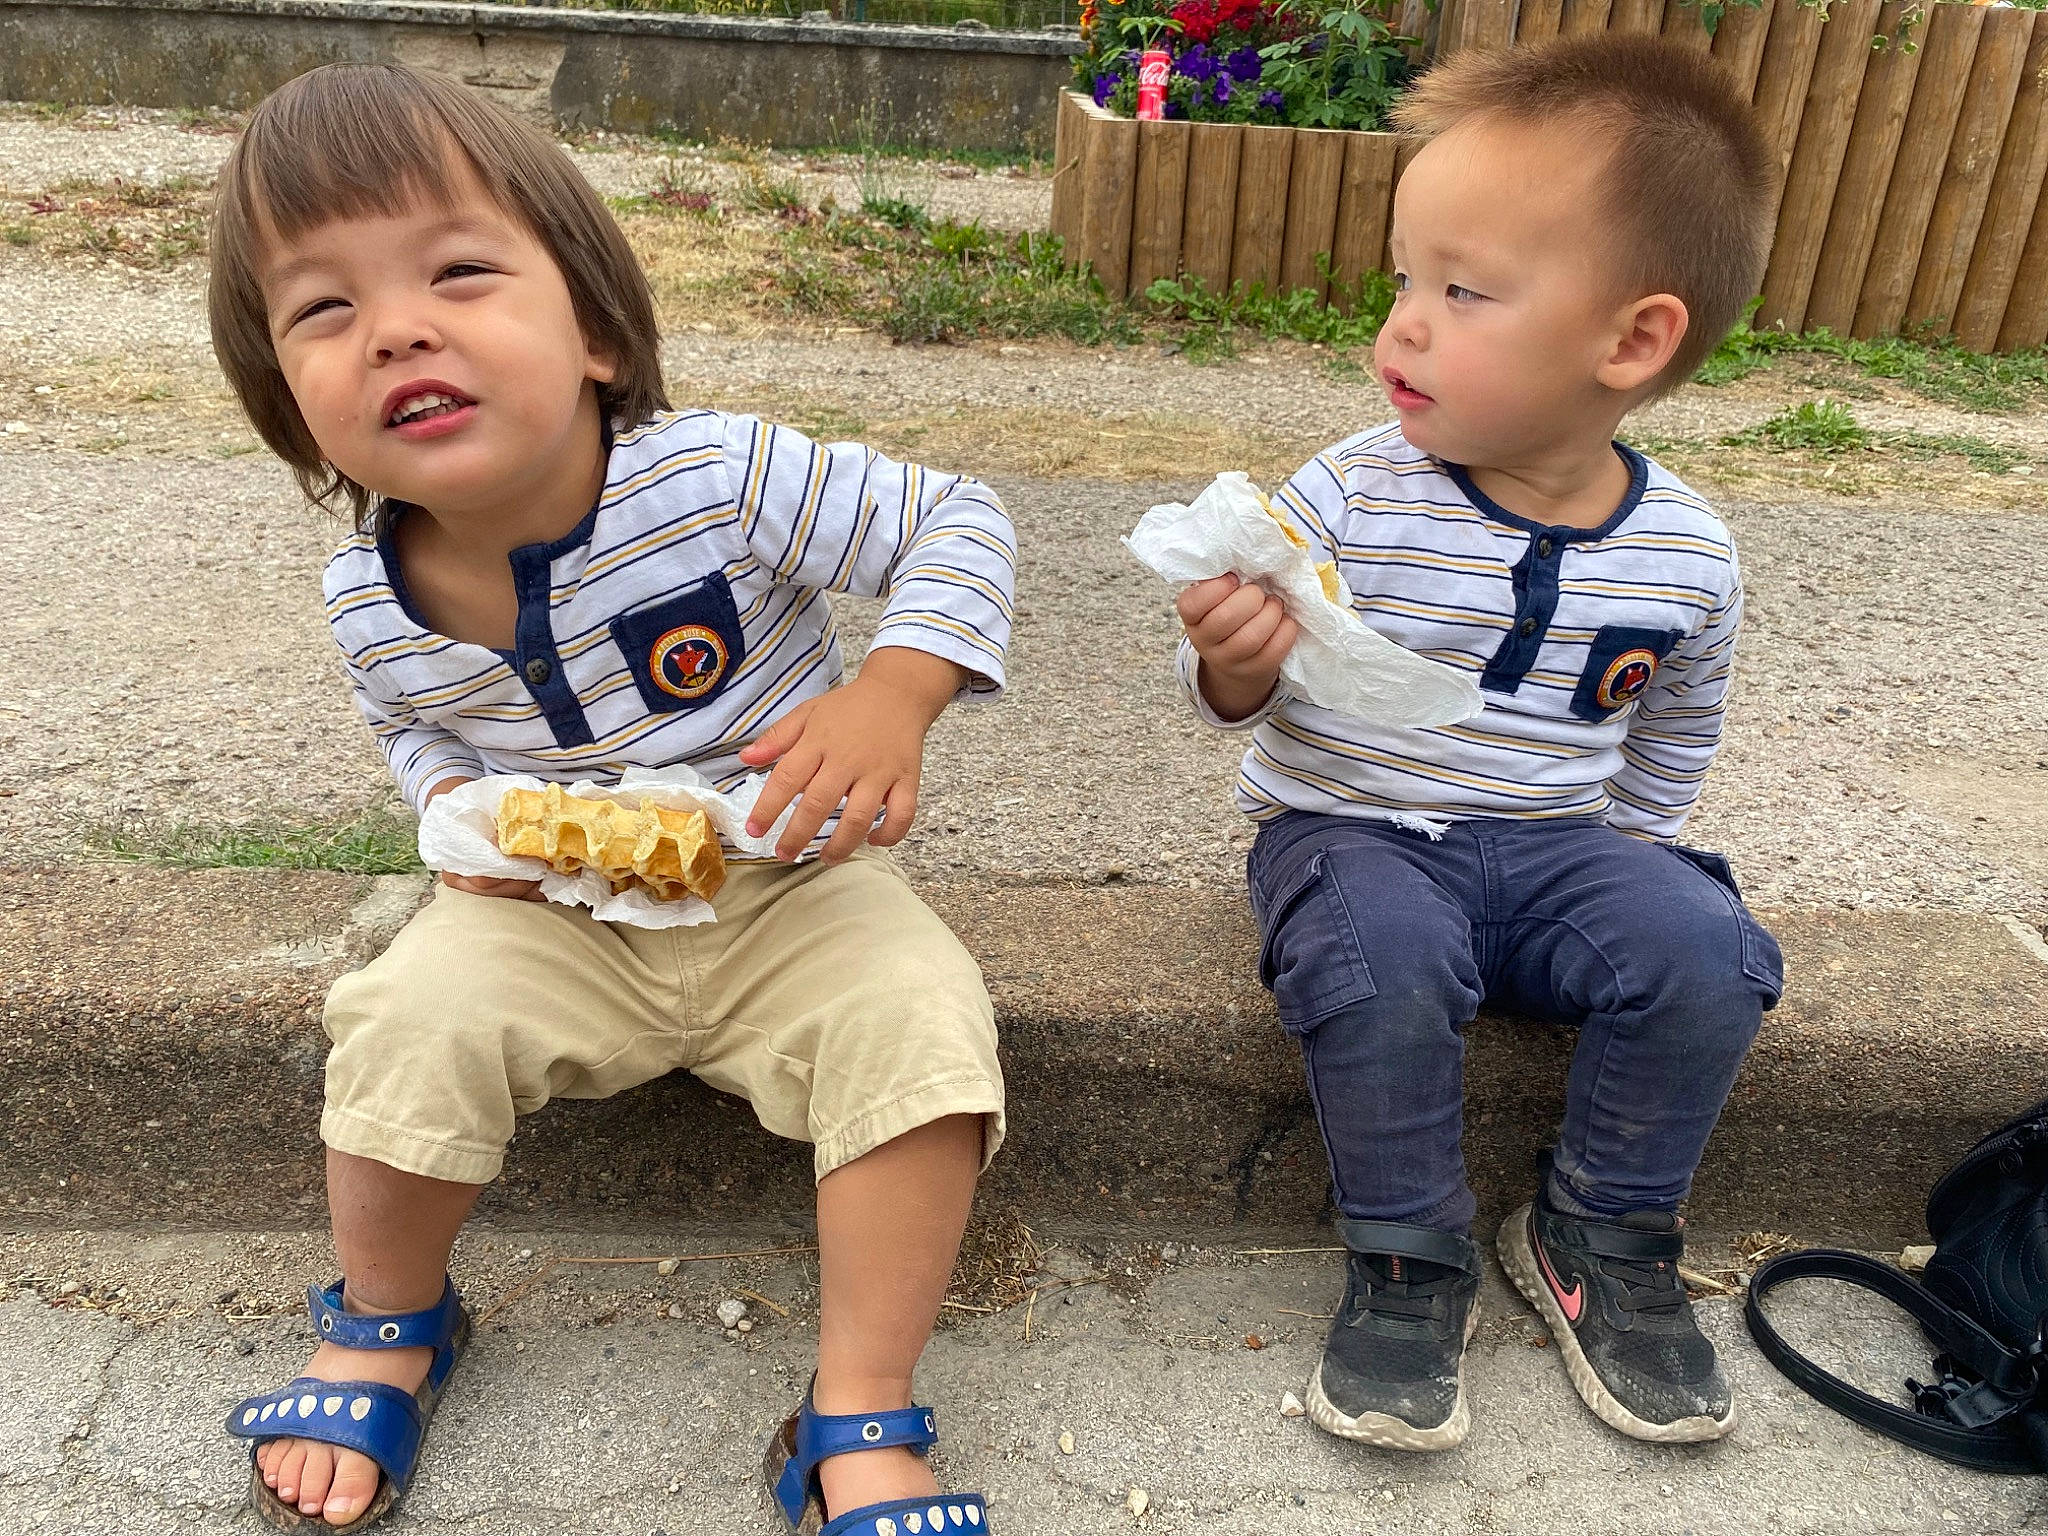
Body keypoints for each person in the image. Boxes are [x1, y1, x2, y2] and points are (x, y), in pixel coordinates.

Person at [208, 63, 1011, 1536]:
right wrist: (462, 826)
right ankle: (388, 1317)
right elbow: (424, 739)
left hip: (793, 881)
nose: (394, 326)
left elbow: (955, 519)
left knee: (926, 1028)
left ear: (592, 327)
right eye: (322, 309)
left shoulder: (717, 474)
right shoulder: (363, 598)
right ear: (288, 396)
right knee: (404, 1015)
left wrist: (897, 691)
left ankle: (859, 1402)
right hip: (557, 920)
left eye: (457, 271)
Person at [1174, 35, 1785, 1452]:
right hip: (1353, 831)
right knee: (1382, 963)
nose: (1401, 325)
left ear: (1630, 342)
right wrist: (1228, 663)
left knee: (1710, 951)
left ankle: (1604, 1230)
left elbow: (1677, 722)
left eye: (1461, 291)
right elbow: (1232, 694)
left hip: (1558, 841)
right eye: (1402, 278)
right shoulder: (1348, 490)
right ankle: (1407, 1256)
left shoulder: (1688, 549)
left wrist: (1634, 865)